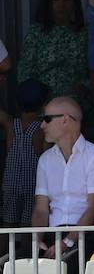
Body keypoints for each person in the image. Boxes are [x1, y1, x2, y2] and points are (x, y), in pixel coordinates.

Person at [33, 97, 94, 274]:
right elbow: (41, 210)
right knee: (8, 265)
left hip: (87, 236)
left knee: (65, 266)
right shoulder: (45, 160)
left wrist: (67, 242)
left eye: (47, 119)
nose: (42, 125)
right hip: (53, 237)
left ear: (66, 120)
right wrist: (36, 239)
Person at [19, 0, 86, 104]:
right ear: (49, 3)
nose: (61, 4)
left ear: (75, 3)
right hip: (43, 104)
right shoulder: (36, 33)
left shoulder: (84, 34)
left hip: (79, 103)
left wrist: (86, 87)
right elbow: (25, 74)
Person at [0, 80, 49, 232]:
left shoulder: (10, 124)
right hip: (32, 185)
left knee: (7, 226)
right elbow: (46, 158)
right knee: (28, 229)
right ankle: (26, 256)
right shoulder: (42, 128)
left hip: (10, 184)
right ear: (42, 104)